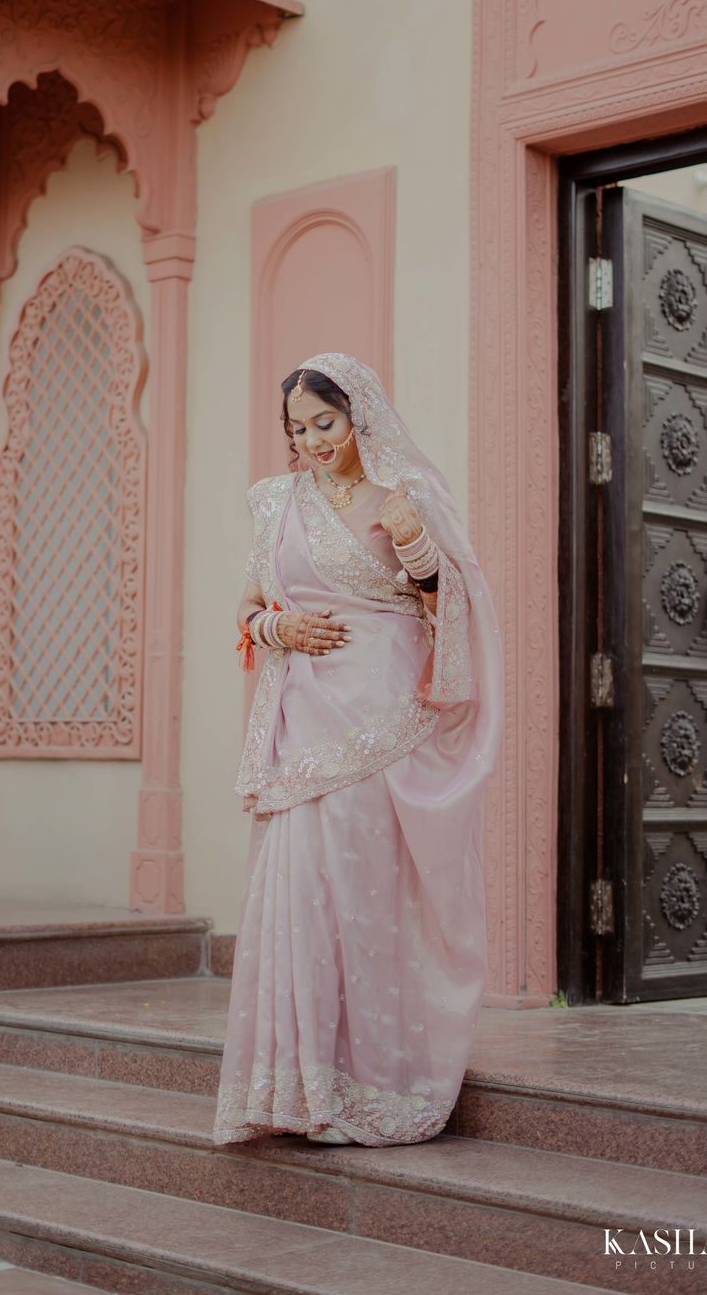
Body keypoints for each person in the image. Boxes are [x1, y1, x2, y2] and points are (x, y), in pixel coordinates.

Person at [211, 352, 504, 1148]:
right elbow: (244, 608)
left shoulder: (403, 498)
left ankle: (374, 1077)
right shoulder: (277, 505)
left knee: (362, 890)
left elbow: (448, 601)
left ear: (358, 417)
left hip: (381, 724)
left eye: (325, 424)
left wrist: (414, 545)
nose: (311, 442)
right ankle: (296, 1084)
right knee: (297, 887)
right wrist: (279, 627)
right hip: (303, 720)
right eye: (298, 429)